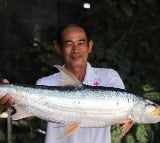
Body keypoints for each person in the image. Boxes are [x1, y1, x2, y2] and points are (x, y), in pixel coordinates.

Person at [0, 24, 125, 143]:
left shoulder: (109, 77)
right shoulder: (46, 82)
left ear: (90, 46)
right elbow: (29, 115)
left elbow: (123, 113)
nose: (75, 50)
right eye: (69, 44)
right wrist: (11, 101)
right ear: (58, 48)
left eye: (81, 43)